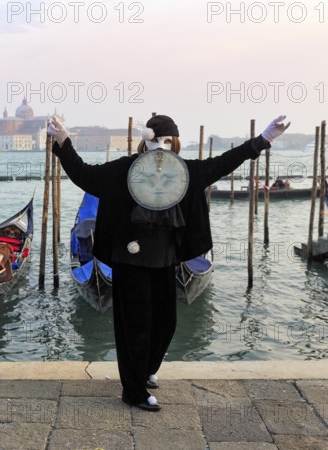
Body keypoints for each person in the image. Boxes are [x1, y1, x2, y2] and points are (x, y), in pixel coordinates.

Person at [47, 114, 290, 412]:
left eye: (166, 141)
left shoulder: (184, 172)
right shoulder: (124, 170)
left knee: (166, 323)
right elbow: (84, 174)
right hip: (129, 258)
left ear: (175, 143)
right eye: (154, 140)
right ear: (144, 142)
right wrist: (63, 142)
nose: (160, 146)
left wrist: (264, 139)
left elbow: (224, 162)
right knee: (135, 327)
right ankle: (133, 391)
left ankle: (146, 369)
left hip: (165, 259)